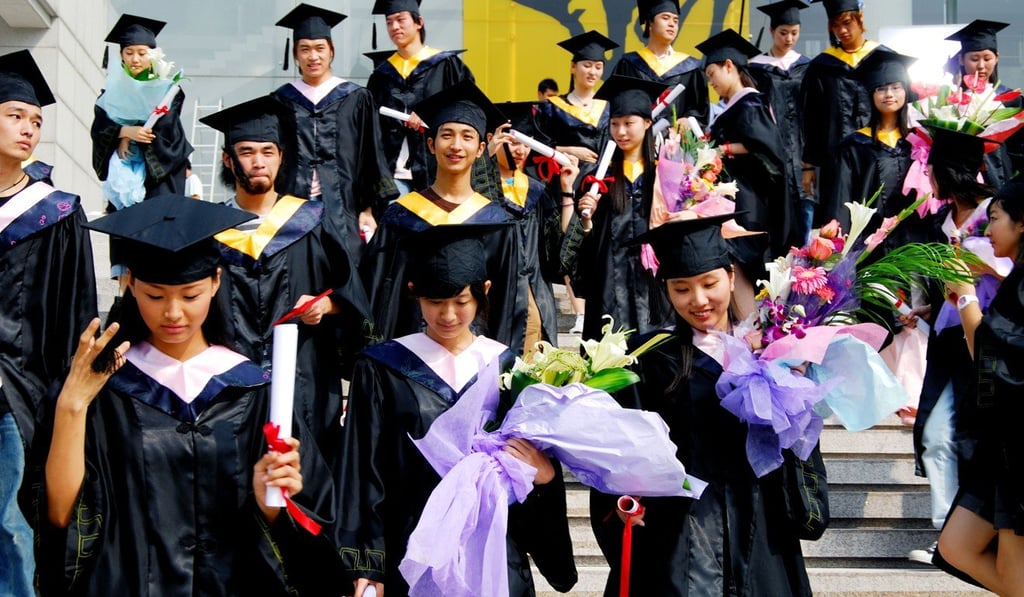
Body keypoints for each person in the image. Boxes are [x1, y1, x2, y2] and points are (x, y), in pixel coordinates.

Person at [39, 196, 337, 596]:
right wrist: (72, 406)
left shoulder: (251, 389)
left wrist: (270, 499)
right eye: (155, 296)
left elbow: (307, 522)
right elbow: (61, 517)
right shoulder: (103, 386)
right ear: (129, 284)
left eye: (190, 294)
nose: (174, 313)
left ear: (215, 282)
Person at [337, 224, 577, 597]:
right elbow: (362, 471)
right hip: (413, 552)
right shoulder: (382, 368)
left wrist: (544, 476)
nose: (448, 315)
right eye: (435, 302)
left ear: (484, 293)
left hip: (494, 554)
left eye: (461, 302)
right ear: (414, 293)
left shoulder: (508, 368)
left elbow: (530, 469)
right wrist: (369, 564)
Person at [591, 215, 813, 595]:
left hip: (757, 526)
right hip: (677, 535)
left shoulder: (769, 348)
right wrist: (625, 502)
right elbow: (619, 454)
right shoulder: (648, 358)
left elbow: (795, 444)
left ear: (730, 275)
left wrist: (790, 385)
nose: (699, 300)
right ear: (666, 290)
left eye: (709, 284)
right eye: (681, 289)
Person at [200, 95, 372, 465]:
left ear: (281, 157)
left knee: (306, 475)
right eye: (246, 152)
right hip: (230, 380)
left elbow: (353, 291)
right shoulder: (209, 228)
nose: (258, 161)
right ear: (228, 160)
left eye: (267, 151)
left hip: (304, 377)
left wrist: (326, 305)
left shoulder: (311, 220)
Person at [0, 49, 97, 597]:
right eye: (16, 115)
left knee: (8, 528)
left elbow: (74, 315)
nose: (29, 129)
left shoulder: (55, 212)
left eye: (36, 120)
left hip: (14, 393)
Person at [909, 128, 1008, 566]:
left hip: (991, 335)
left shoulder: (999, 214)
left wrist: (981, 259)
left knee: (975, 436)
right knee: (934, 435)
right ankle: (945, 534)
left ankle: (979, 534)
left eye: (930, 169)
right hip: (948, 341)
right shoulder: (937, 224)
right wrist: (922, 308)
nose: (926, 175)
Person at [360, 81, 522, 349]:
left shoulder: (498, 223)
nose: (456, 145)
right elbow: (375, 291)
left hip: (475, 360)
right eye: (447, 135)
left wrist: (501, 368)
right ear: (431, 145)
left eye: (467, 136)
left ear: (481, 149)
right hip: (409, 357)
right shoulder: (401, 217)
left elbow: (508, 303)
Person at [936, 175, 1024, 594]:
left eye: (996, 218)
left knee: (1014, 571)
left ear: (1022, 223)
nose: (987, 231)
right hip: (1006, 446)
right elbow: (989, 359)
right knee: (956, 546)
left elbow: (996, 358)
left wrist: (968, 295)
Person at [273, 3, 398, 262]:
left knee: (345, 270)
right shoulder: (281, 100)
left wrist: (367, 209)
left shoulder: (356, 97)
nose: (313, 56)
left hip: (345, 206)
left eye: (320, 48)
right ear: (295, 54)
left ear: (331, 51)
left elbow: (369, 155)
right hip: (292, 204)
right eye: (304, 49)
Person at [563, 75, 672, 341]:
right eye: (615, 124)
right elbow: (581, 247)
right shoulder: (597, 179)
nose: (621, 132)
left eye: (628, 124)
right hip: (610, 289)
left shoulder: (665, 174)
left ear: (647, 123)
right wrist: (587, 221)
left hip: (655, 289)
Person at [698, 29, 788, 314]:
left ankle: (751, 328)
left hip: (750, 201)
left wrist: (719, 150)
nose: (711, 82)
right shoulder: (734, 107)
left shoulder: (750, 103)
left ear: (729, 66)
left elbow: (766, 146)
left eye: (713, 74)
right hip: (736, 198)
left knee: (743, 260)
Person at [490, 101, 580, 354]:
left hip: (532, 296)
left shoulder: (536, 191)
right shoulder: (478, 189)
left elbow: (560, 251)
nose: (520, 150)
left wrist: (566, 190)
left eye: (525, 144)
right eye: (513, 142)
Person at [367, 0, 476, 196]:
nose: (395, 27)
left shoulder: (446, 66)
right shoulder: (381, 75)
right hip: (394, 177)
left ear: (419, 22)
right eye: (389, 22)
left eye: (401, 20)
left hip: (436, 172)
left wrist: (431, 113)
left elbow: (469, 110)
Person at [801, 0, 883, 227]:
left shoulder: (882, 59)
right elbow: (811, 120)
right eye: (836, 25)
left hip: (876, 155)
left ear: (860, 17)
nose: (842, 31)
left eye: (847, 23)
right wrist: (808, 165)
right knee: (837, 222)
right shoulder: (822, 66)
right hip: (834, 161)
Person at [748, 0, 813, 245]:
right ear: (773, 31)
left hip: (802, 152)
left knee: (806, 213)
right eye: (783, 33)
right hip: (773, 154)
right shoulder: (756, 68)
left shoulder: (807, 66)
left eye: (794, 33)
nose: (789, 39)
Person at [946, 20, 1021, 191]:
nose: (981, 66)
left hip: (1002, 180)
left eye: (987, 58)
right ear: (961, 60)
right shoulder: (951, 100)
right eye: (974, 59)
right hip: (962, 182)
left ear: (997, 58)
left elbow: (1019, 149)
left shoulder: (1010, 100)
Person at [610, 0, 709, 126]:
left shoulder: (691, 67)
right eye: (665, 18)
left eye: (675, 20)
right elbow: (617, 105)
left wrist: (688, 120)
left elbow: (700, 110)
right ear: (650, 23)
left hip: (675, 142)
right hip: (639, 140)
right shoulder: (629, 64)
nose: (672, 24)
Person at [535, 31, 618, 165]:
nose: (593, 72)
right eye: (587, 65)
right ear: (573, 67)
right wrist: (569, 150)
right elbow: (537, 148)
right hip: (564, 176)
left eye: (598, 67)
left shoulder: (609, 107)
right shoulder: (552, 107)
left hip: (603, 180)